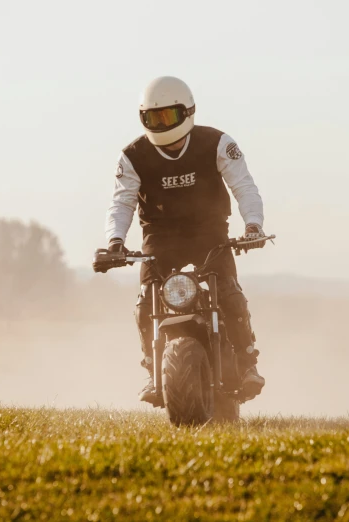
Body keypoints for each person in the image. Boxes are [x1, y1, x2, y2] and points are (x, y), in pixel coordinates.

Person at [96, 76, 268, 405]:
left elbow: (244, 186)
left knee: (229, 291)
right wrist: (115, 242)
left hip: (210, 232)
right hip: (160, 237)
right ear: (143, 118)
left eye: (169, 117)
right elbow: (121, 202)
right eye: (153, 118)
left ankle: (247, 364)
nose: (161, 126)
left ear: (187, 112)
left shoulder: (217, 143)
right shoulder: (132, 156)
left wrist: (253, 226)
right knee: (146, 300)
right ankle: (152, 369)